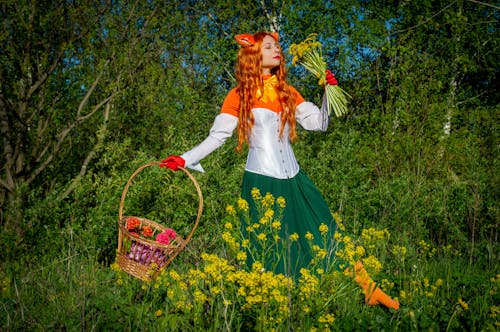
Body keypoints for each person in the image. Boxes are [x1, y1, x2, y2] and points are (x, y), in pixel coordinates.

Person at [161, 32, 399, 310]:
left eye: (277, 46)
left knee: (329, 230)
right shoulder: (239, 94)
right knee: (269, 246)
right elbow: (218, 137)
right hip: (262, 181)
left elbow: (319, 124)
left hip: (295, 179)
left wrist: (328, 93)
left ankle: (368, 288)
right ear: (254, 54)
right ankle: (269, 307)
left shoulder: (287, 91)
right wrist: (185, 158)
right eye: (269, 46)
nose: (277, 50)